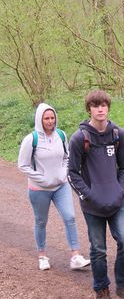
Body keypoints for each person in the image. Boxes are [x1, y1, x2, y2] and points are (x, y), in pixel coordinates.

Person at [68, 90, 124, 299]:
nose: (100, 109)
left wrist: (120, 190)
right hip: (92, 204)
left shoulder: (119, 135)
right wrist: (89, 194)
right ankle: (102, 290)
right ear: (89, 109)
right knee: (98, 249)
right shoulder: (80, 138)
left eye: (104, 105)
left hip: (117, 201)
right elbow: (73, 173)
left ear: (108, 107)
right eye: (95, 105)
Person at [17, 103, 91, 271]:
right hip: (39, 189)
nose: (50, 121)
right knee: (41, 221)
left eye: (52, 118)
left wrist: (63, 173)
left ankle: (75, 256)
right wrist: (41, 179)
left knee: (70, 217)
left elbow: (67, 156)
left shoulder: (61, 135)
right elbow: (22, 165)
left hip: (60, 186)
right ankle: (42, 256)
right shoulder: (31, 139)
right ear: (40, 119)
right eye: (46, 118)